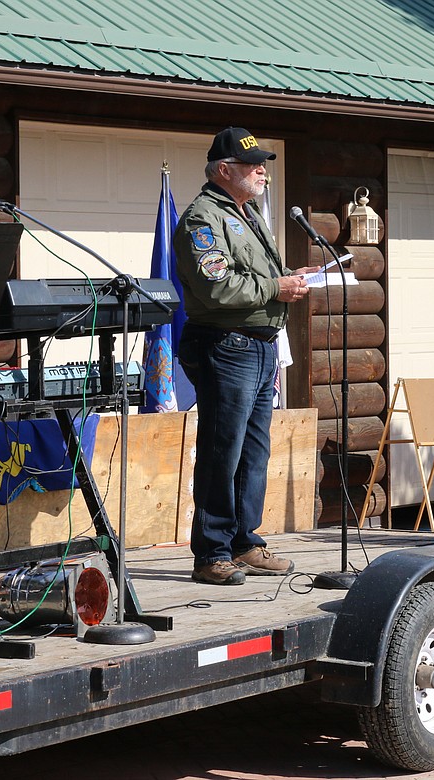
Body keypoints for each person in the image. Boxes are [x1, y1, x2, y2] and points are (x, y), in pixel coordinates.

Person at [174, 127, 319, 586]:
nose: (262, 170)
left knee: (254, 452)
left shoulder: (249, 213)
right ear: (223, 170)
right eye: (252, 164)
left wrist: (294, 277)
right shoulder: (203, 218)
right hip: (225, 345)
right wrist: (277, 287)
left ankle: (244, 541)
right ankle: (212, 553)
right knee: (223, 451)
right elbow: (216, 286)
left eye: (263, 163)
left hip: (260, 346)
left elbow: (257, 277)